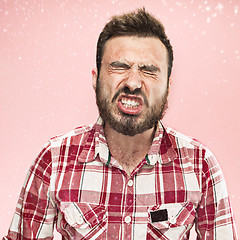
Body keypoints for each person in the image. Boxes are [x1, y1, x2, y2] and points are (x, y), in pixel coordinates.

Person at [3, 8, 238, 240]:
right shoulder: (53, 159)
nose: (133, 82)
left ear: (168, 85)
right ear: (96, 79)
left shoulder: (200, 165)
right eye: (120, 67)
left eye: (149, 70)